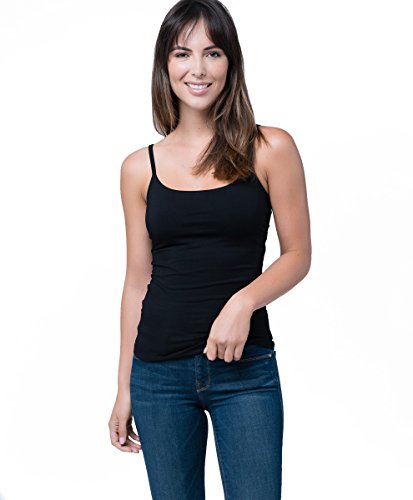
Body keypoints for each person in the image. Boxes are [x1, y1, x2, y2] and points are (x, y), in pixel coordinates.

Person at [108, 0, 311, 498]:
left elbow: (297, 255)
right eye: (183, 54)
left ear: (230, 63)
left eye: (212, 53)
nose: (197, 69)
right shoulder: (139, 168)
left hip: (246, 372)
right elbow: (137, 281)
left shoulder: (269, 148)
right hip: (157, 376)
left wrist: (243, 303)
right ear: (165, 65)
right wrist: (124, 386)